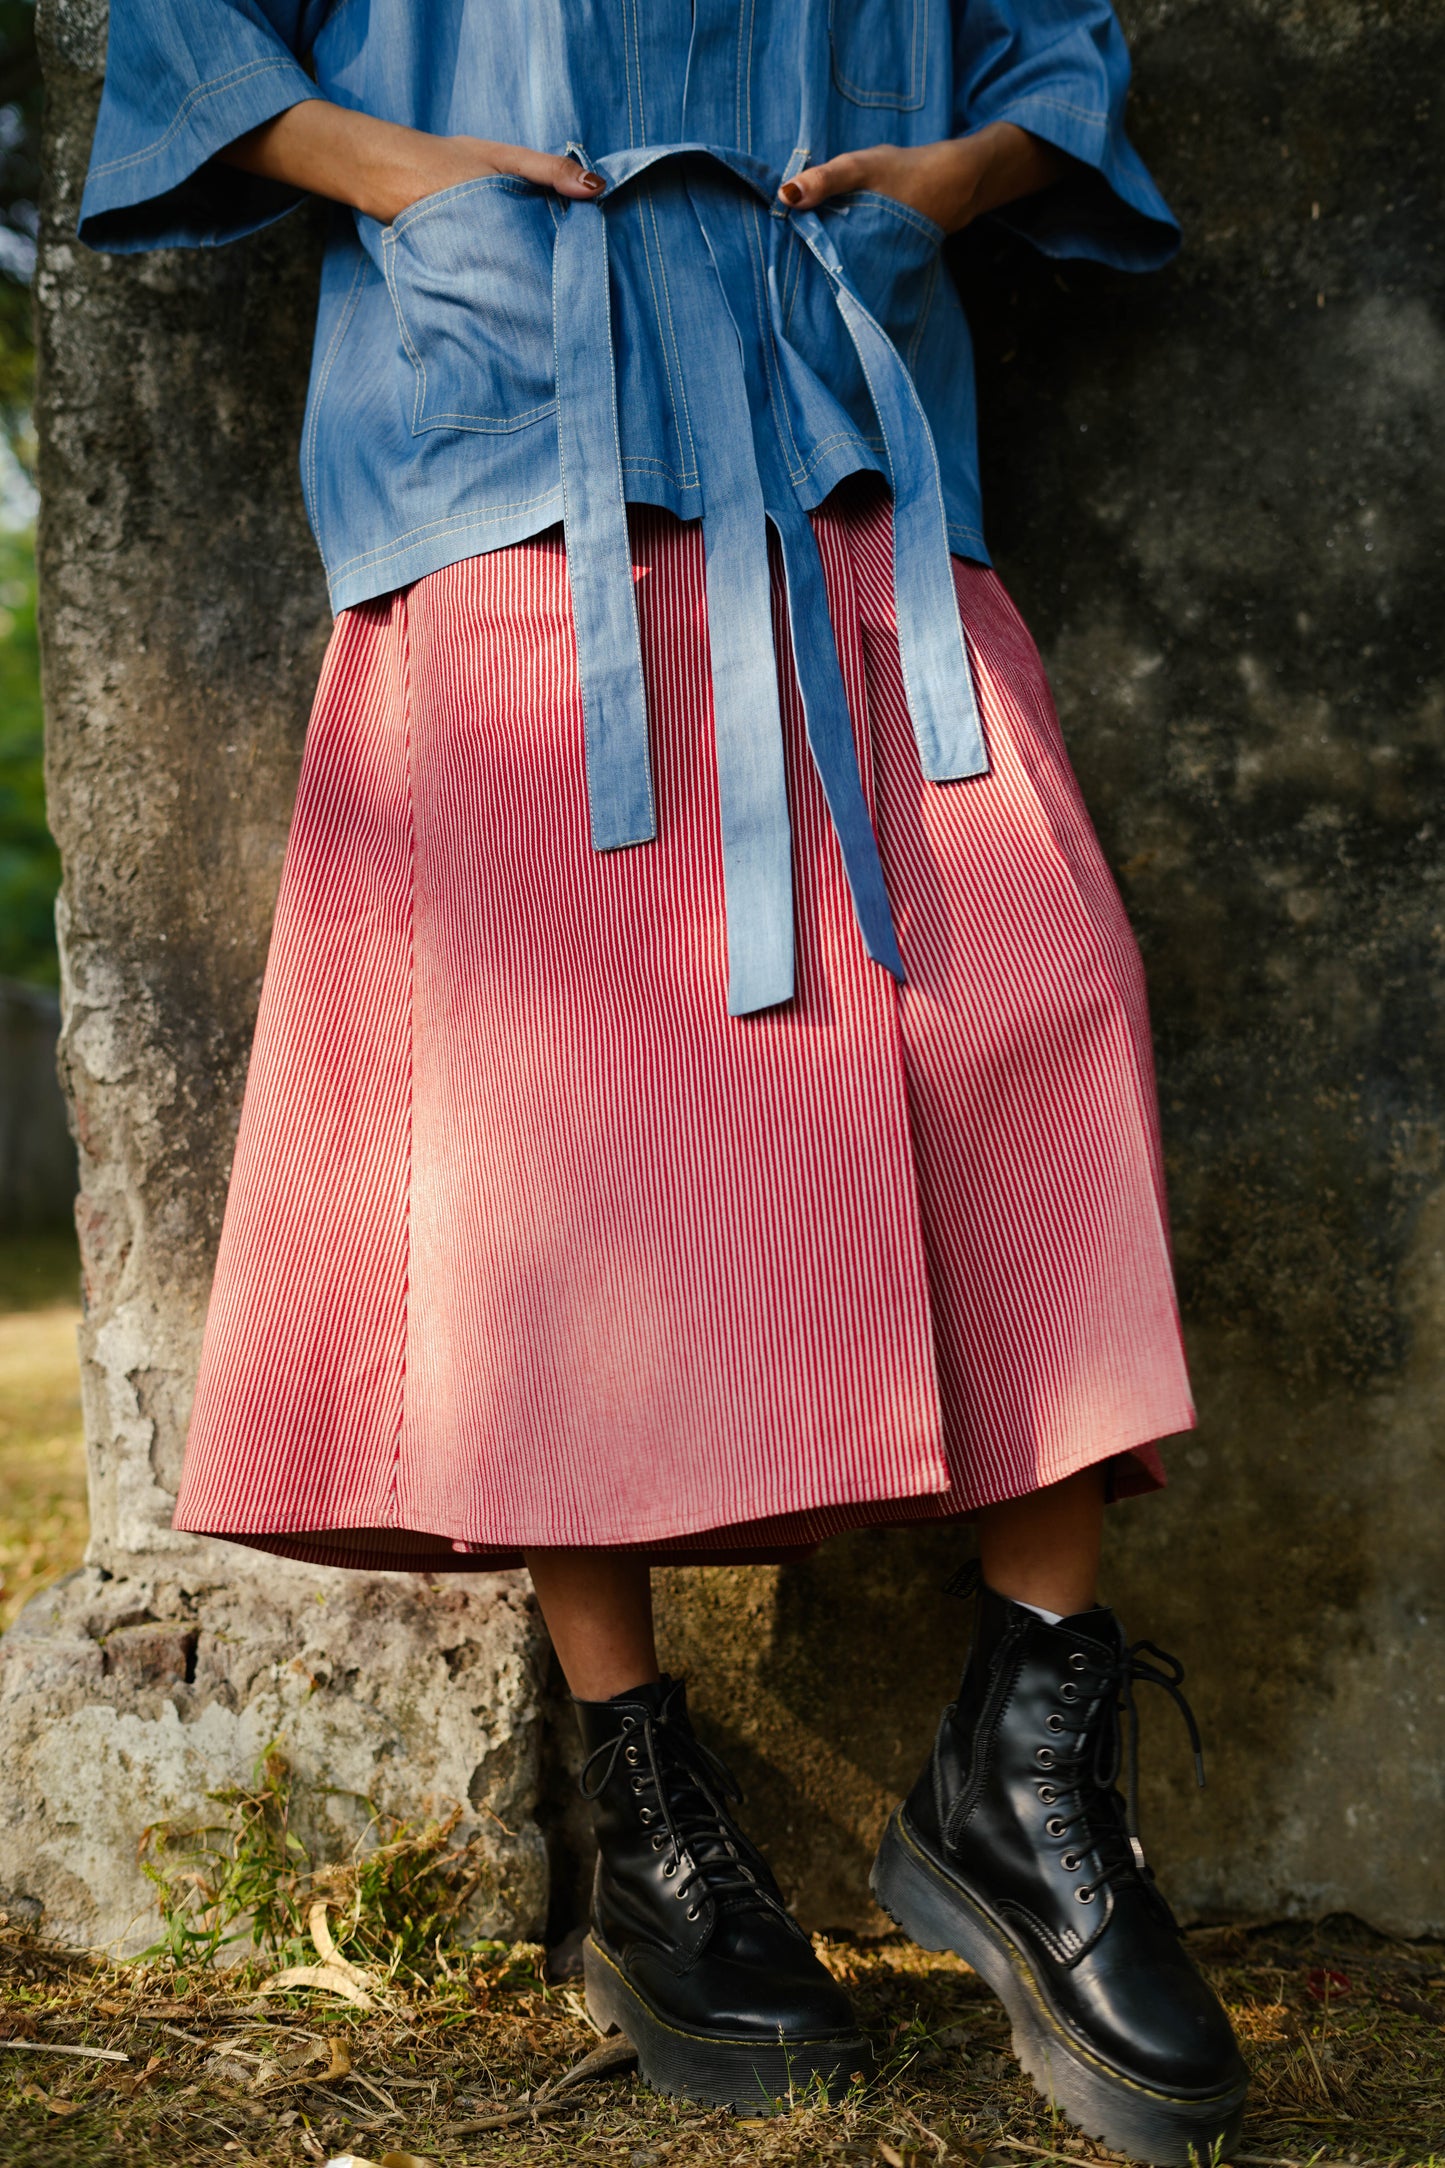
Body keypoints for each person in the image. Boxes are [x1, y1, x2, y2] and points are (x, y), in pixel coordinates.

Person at [78, 3, 1247, 2158]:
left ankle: (1023, 1769)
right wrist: (401, 174)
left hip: (844, 412)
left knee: (1037, 1008)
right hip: (514, 433)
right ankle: (648, 1812)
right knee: (560, 1135)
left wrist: (959, 181)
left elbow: (1053, 44)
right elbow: (183, 31)